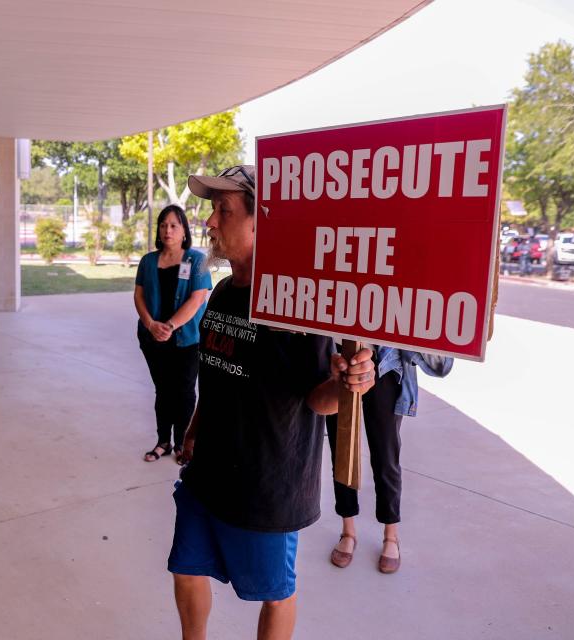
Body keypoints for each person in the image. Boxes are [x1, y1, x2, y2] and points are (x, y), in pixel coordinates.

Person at [171, 165, 376, 640]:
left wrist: (349, 385)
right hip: (209, 471)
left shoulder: (296, 303)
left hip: (268, 481)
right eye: (212, 211)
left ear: (260, 222)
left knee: (275, 592)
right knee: (185, 567)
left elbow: (318, 400)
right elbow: (214, 372)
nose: (210, 223)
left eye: (224, 211)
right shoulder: (221, 292)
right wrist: (196, 425)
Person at [327, 347, 453, 573]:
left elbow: (440, 363)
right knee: (341, 449)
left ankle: (391, 536)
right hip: (340, 357)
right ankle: (348, 531)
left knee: (386, 455)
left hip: (386, 364)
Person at [134, 205, 212, 462]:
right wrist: (150, 325)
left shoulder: (197, 260)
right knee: (163, 390)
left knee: (185, 391)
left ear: (184, 230)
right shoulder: (148, 261)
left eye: (174, 225)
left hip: (186, 340)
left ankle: (183, 443)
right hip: (152, 339)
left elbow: (197, 298)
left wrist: (168, 327)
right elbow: (139, 295)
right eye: (163, 225)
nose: (168, 230)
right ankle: (163, 442)